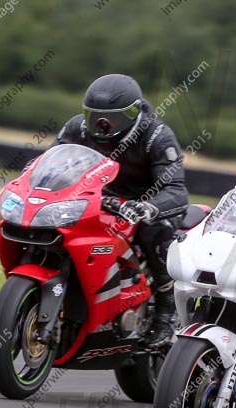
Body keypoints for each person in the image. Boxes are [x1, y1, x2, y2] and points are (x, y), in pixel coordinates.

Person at [52, 74, 188, 347]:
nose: (101, 126)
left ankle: (166, 311)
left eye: (110, 119)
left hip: (148, 205)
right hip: (98, 201)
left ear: (132, 113)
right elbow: (51, 164)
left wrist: (147, 207)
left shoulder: (156, 136)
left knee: (154, 231)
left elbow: (175, 189)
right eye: (94, 117)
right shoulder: (76, 129)